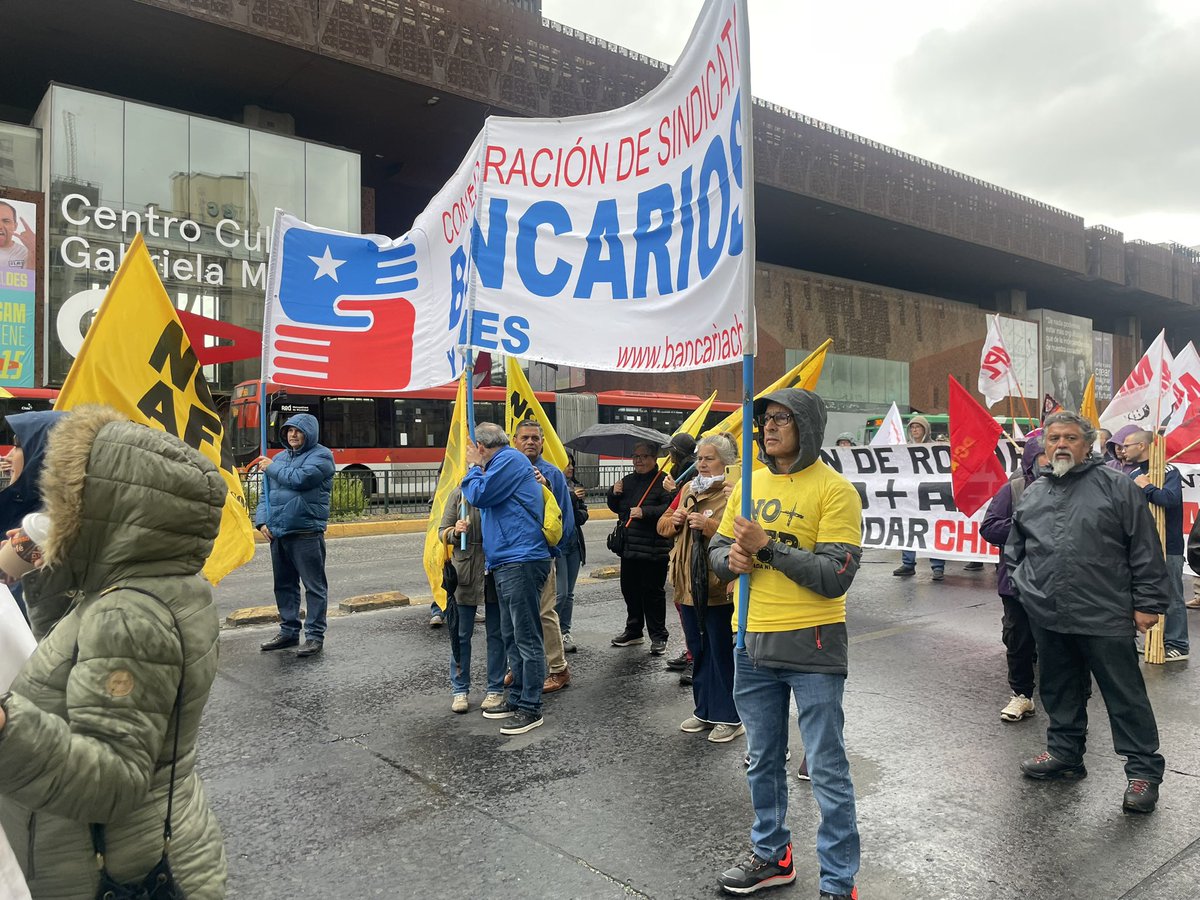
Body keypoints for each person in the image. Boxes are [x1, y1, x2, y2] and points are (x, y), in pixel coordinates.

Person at [0, 405, 227, 897]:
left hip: (116, 873)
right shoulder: (152, 584)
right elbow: (73, 667)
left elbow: (114, 781)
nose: (53, 507)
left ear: (111, 508)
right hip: (144, 849)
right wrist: (53, 567)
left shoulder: (128, 613)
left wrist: (6, 727)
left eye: (66, 496)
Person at [711, 389, 863, 899]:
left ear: (807, 425)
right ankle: (772, 855)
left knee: (825, 767)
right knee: (762, 758)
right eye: (766, 419)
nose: (770, 427)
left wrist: (767, 549)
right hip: (750, 639)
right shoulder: (747, 485)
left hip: (813, 646)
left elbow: (834, 575)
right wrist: (726, 561)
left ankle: (839, 883)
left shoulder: (836, 491)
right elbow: (717, 549)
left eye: (783, 418)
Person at [1006, 411, 1169, 813]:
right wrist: (1025, 590)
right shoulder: (1034, 492)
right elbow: (1016, 549)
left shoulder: (1117, 487)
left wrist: (1148, 603)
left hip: (1106, 613)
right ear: (1044, 445)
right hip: (1048, 613)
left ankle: (1143, 771)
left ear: (1088, 444)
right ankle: (1064, 754)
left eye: (1070, 438)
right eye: (1054, 437)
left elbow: (1145, 548)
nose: (1061, 444)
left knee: (1124, 695)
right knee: (1058, 689)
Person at [462, 422, 551, 735]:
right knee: (512, 633)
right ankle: (516, 697)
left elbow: (479, 494)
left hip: (521, 558)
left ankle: (531, 707)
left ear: (483, 448)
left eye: (473, 449)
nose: (470, 454)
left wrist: (474, 467)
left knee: (526, 635)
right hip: (506, 560)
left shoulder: (509, 460)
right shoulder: (502, 463)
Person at [658, 433, 741, 743]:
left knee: (721, 652)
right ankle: (703, 709)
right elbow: (663, 527)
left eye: (709, 459)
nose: (702, 464)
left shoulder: (735, 493)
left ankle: (730, 716)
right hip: (686, 585)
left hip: (716, 586)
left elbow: (741, 534)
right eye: (700, 458)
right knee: (698, 649)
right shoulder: (688, 489)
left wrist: (709, 527)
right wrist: (675, 518)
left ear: (725, 463)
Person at [254, 413, 335, 657]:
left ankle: (314, 636)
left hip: (306, 532)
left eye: (298, 431)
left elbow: (299, 479)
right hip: (278, 533)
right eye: (289, 430)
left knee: (314, 587)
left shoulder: (322, 456)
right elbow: (264, 495)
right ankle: (289, 631)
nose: (292, 434)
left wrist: (271, 467)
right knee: (284, 586)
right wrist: (262, 521)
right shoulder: (278, 459)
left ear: (309, 433)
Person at [981, 434, 1046, 722]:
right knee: (1018, 641)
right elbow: (990, 527)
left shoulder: (1077, 490)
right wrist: (1025, 526)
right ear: (1033, 458)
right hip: (1017, 581)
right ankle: (1022, 695)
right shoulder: (1014, 489)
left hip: (1059, 583)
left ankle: (1068, 708)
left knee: (1060, 645)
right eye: (1045, 453)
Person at [513, 420, 575, 693]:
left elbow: (564, 516)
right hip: (514, 556)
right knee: (516, 614)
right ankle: (520, 666)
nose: (530, 442)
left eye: (535, 438)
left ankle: (558, 668)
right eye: (525, 437)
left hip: (540, 555)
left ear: (542, 442)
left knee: (544, 612)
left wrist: (553, 548)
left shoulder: (552, 474)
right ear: (515, 441)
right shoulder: (508, 469)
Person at [1121, 430, 1189, 661]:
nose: (1123, 449)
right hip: (1143, 545)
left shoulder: (1169, 471)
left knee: (1172, 594)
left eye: (1127, 445)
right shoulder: (1134, 474)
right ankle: (1152, 639)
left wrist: (1147, 487)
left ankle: (1178, 643)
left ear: (1142, 446)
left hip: (1168, 544)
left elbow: (1169, 500)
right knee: (1142, 591)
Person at [438, 487, 507, 714]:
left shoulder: (499, 489)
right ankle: (460, 689)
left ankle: (495, 688)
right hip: (465, 569)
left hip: (494, 567)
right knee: (460, 634)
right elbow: (442, 532)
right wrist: (455, 532)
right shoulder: (460, 493)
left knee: (496, 633)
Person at [607, 441, 675, 654]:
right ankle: (634, 631)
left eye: (644, 456)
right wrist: (613, 493)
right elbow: (617, 508)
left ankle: (658, 636)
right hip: (629, 548)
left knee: (653, 593)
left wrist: (646, 512)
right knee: (630, 590)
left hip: (654, 549)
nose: (639, 461)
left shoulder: (664, 481)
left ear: (654, 458)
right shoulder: (627, 481)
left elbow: (670, 507)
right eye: (636, 456)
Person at [0, 411, 66, 619]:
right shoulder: (23, 507)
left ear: (42, 455)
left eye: (19, 446)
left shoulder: (56, 532)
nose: (9, 456)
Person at [893, 415, 945, 581]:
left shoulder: (935, 448)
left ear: (925, 429)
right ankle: (908, 564)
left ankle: (938, 567)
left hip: (931, 496)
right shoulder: (905, 448)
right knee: (909, 528)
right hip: (911, 497)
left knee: (934, 529)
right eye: (912, 427)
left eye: (918, 427)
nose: (914, 430)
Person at [558, 454, 589, 653]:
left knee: (568, 593)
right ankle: (547, 630)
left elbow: (583, 515)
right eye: (567, 463)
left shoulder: (576, 485)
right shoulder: (551, 482)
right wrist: (571, 497)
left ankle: (564, 631)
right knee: (559, 593)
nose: (570, 467)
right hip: (557, 545)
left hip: (574, 544)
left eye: (572, 464)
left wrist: (578, 510)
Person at [0, 202, 33, 270]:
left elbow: (31, 279)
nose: (0, 226)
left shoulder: (26, 253)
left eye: (6, 221)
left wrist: (33, 250)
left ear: (15, 226)